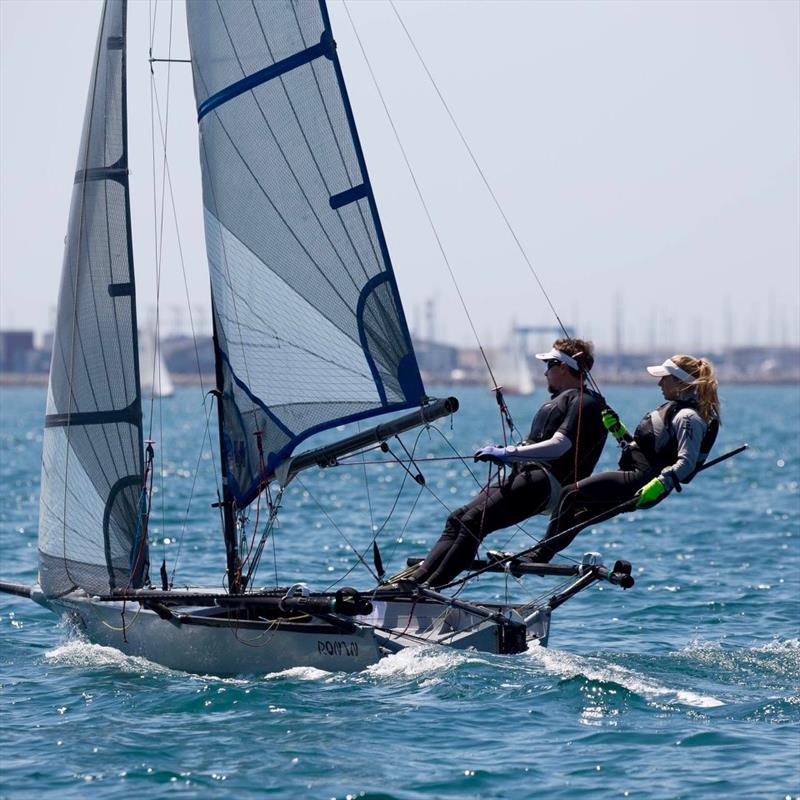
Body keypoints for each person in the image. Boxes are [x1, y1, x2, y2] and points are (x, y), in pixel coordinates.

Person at [408, 338, 608, 588]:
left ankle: (429, 588)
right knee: (458, 519)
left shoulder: (585, 401)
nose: (545, 372)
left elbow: (560, 446)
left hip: (547, 483)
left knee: (473, 522)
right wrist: (515, 456)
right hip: (531, 478)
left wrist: (508, 453)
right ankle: (412, 583)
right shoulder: (563, 399)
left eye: (548, 365)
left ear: (563, 366)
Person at [530, 354, 721, 563]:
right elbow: (647, 451)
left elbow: (687, 463)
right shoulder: (675, 410)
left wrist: (659, 484)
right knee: (579, 516)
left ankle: (539, 555)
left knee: (569, 494)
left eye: (664, 378)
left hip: (641, 482)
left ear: (680, 383)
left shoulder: (688, 418)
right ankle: (539, 556)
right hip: (637, 477)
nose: (659, 383)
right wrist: (619, 432)